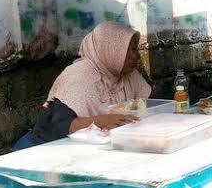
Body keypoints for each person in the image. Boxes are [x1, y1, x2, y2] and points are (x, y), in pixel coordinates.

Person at [15, 22, 151, 149]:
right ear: (111, 49)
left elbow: (147, 107)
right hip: (44, 149)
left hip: (90, 147)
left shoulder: (128, 76)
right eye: (130, 50)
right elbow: (61, 126)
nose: (137, 56)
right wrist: (108, 120)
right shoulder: (79, 77)